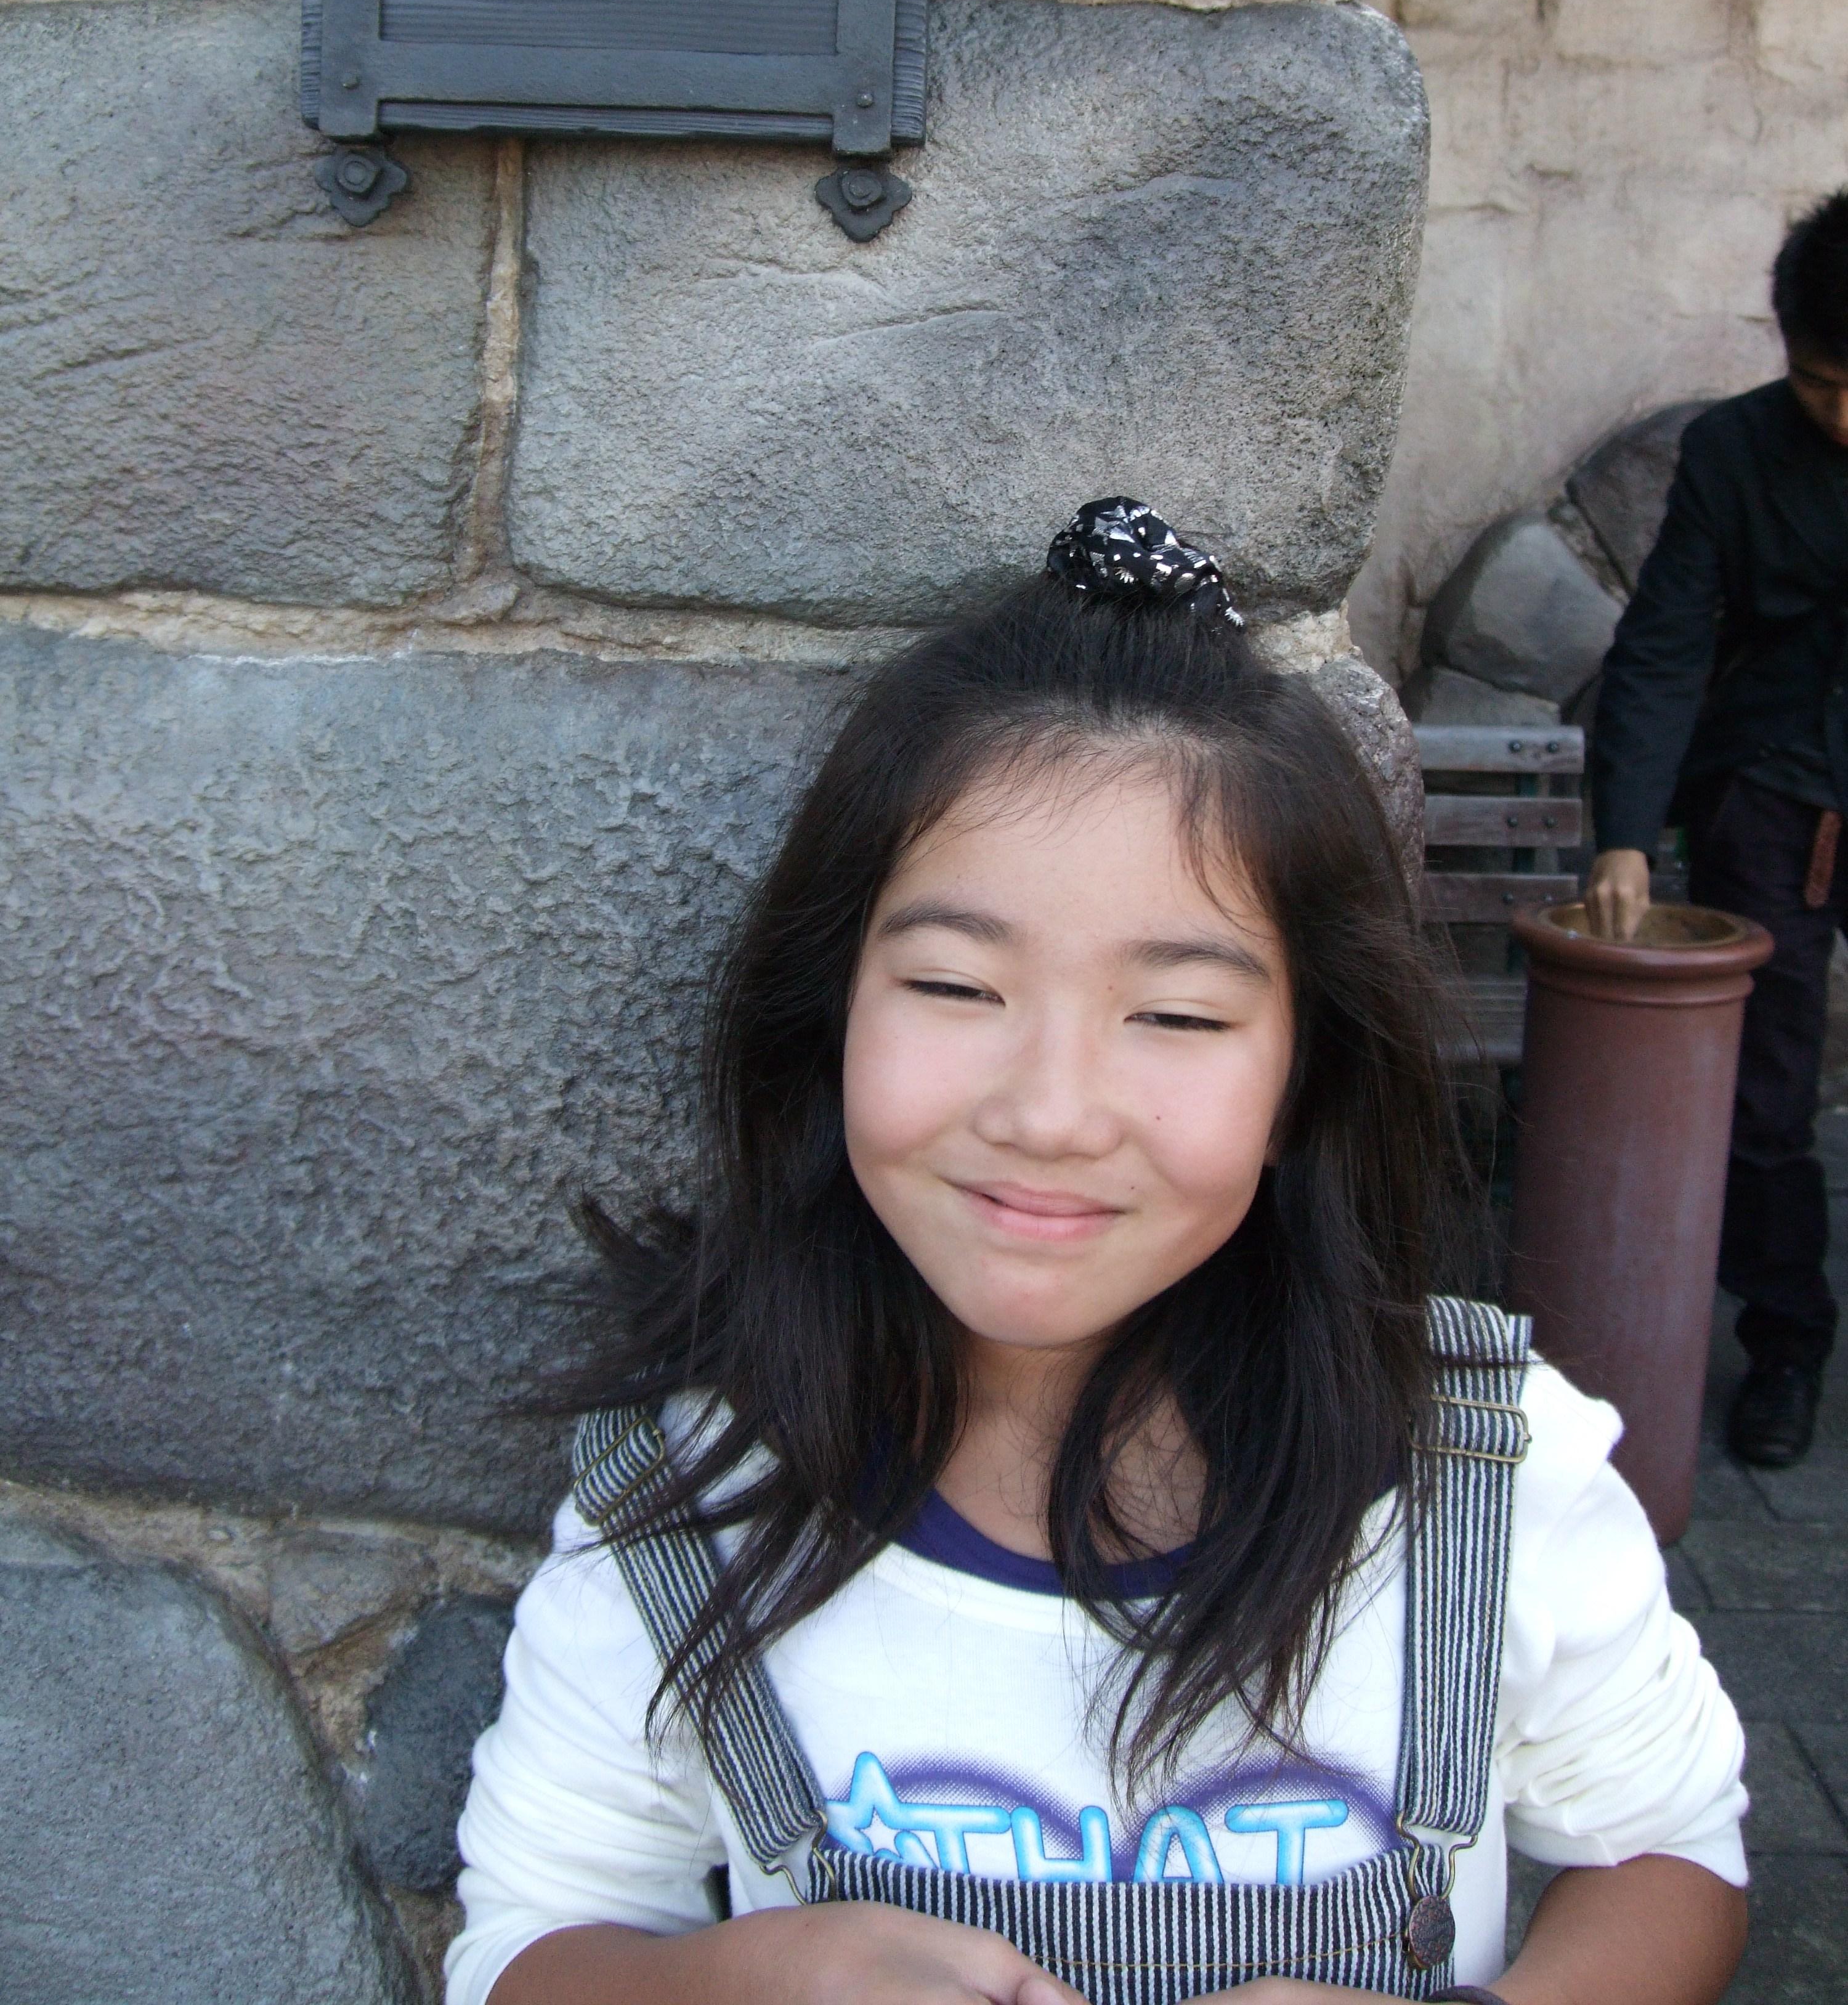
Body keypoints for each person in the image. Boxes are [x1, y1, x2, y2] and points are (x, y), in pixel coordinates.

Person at [450, 500, 1747, 2005]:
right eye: (956, 985)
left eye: (1178, 1014)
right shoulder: (689, 1505)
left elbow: (1672, 1851)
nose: (1051, 1112)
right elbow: (528, 1944)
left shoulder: (1493, 1476)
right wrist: (755, 1976)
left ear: (1304, 1078)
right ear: (831, 1011)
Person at [1587, 191, 1848, 1471]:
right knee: (1765, 1094)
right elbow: (1663, 647)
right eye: (1821, 385)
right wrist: (1626, 834)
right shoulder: (1734, 453)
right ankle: (1787, 1338)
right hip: (1771, 797)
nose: (1844, 416)